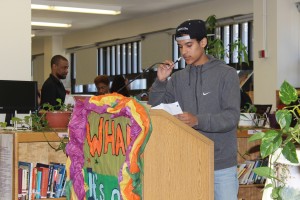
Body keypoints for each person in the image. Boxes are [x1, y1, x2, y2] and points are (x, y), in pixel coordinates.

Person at [148, 19, 240, 200]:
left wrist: (198, 120)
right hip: (187, 162)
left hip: (220, 166)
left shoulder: (226, 74)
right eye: (180, 47)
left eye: (189, 45)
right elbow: (157, 110)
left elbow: (231, 117)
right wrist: (160, 81)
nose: (184, 52)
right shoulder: (177, 79)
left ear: (203, 42)